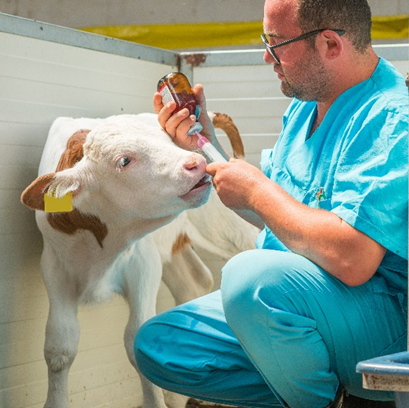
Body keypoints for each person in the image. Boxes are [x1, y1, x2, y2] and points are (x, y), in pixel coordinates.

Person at [134, 0, 408, 407]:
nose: (267, 56)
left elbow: (354, 259)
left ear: (330, 44)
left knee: (250, 277)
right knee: (158, 344)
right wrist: (203, 143)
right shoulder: (304, 107)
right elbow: (278, 216)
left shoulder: (391, 119)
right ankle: (326, 395)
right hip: (295, 308)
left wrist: (259, 191)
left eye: (276, 43)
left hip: (380, 321)